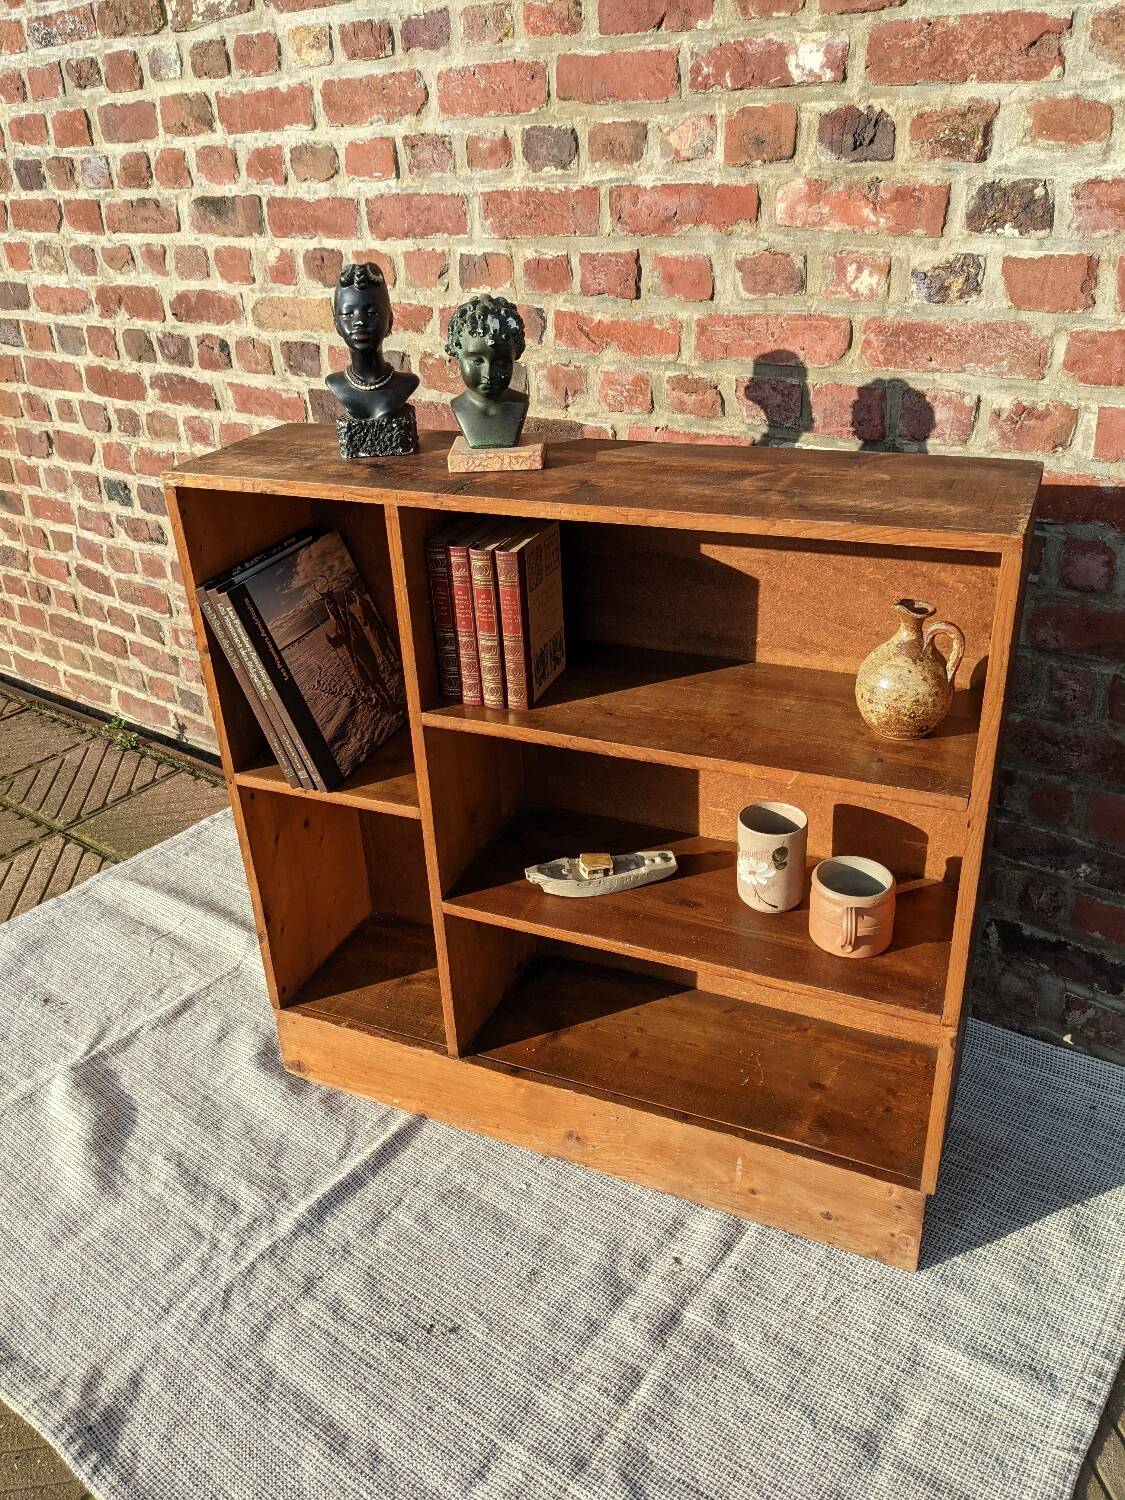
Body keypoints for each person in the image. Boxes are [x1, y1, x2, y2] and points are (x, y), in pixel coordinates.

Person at [326, 263, 419, 430]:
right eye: (348, 314)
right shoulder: (335, 384)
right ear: (336, 323)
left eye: (372, 313)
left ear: (390, 321)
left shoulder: (406, 384)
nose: (359, 322)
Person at [445, 294, 529, 450]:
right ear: (457, 355)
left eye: (502, 363)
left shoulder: (519, 404)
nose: (488, 374)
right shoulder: (459, 406)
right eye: (476, 361)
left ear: (514, 356)